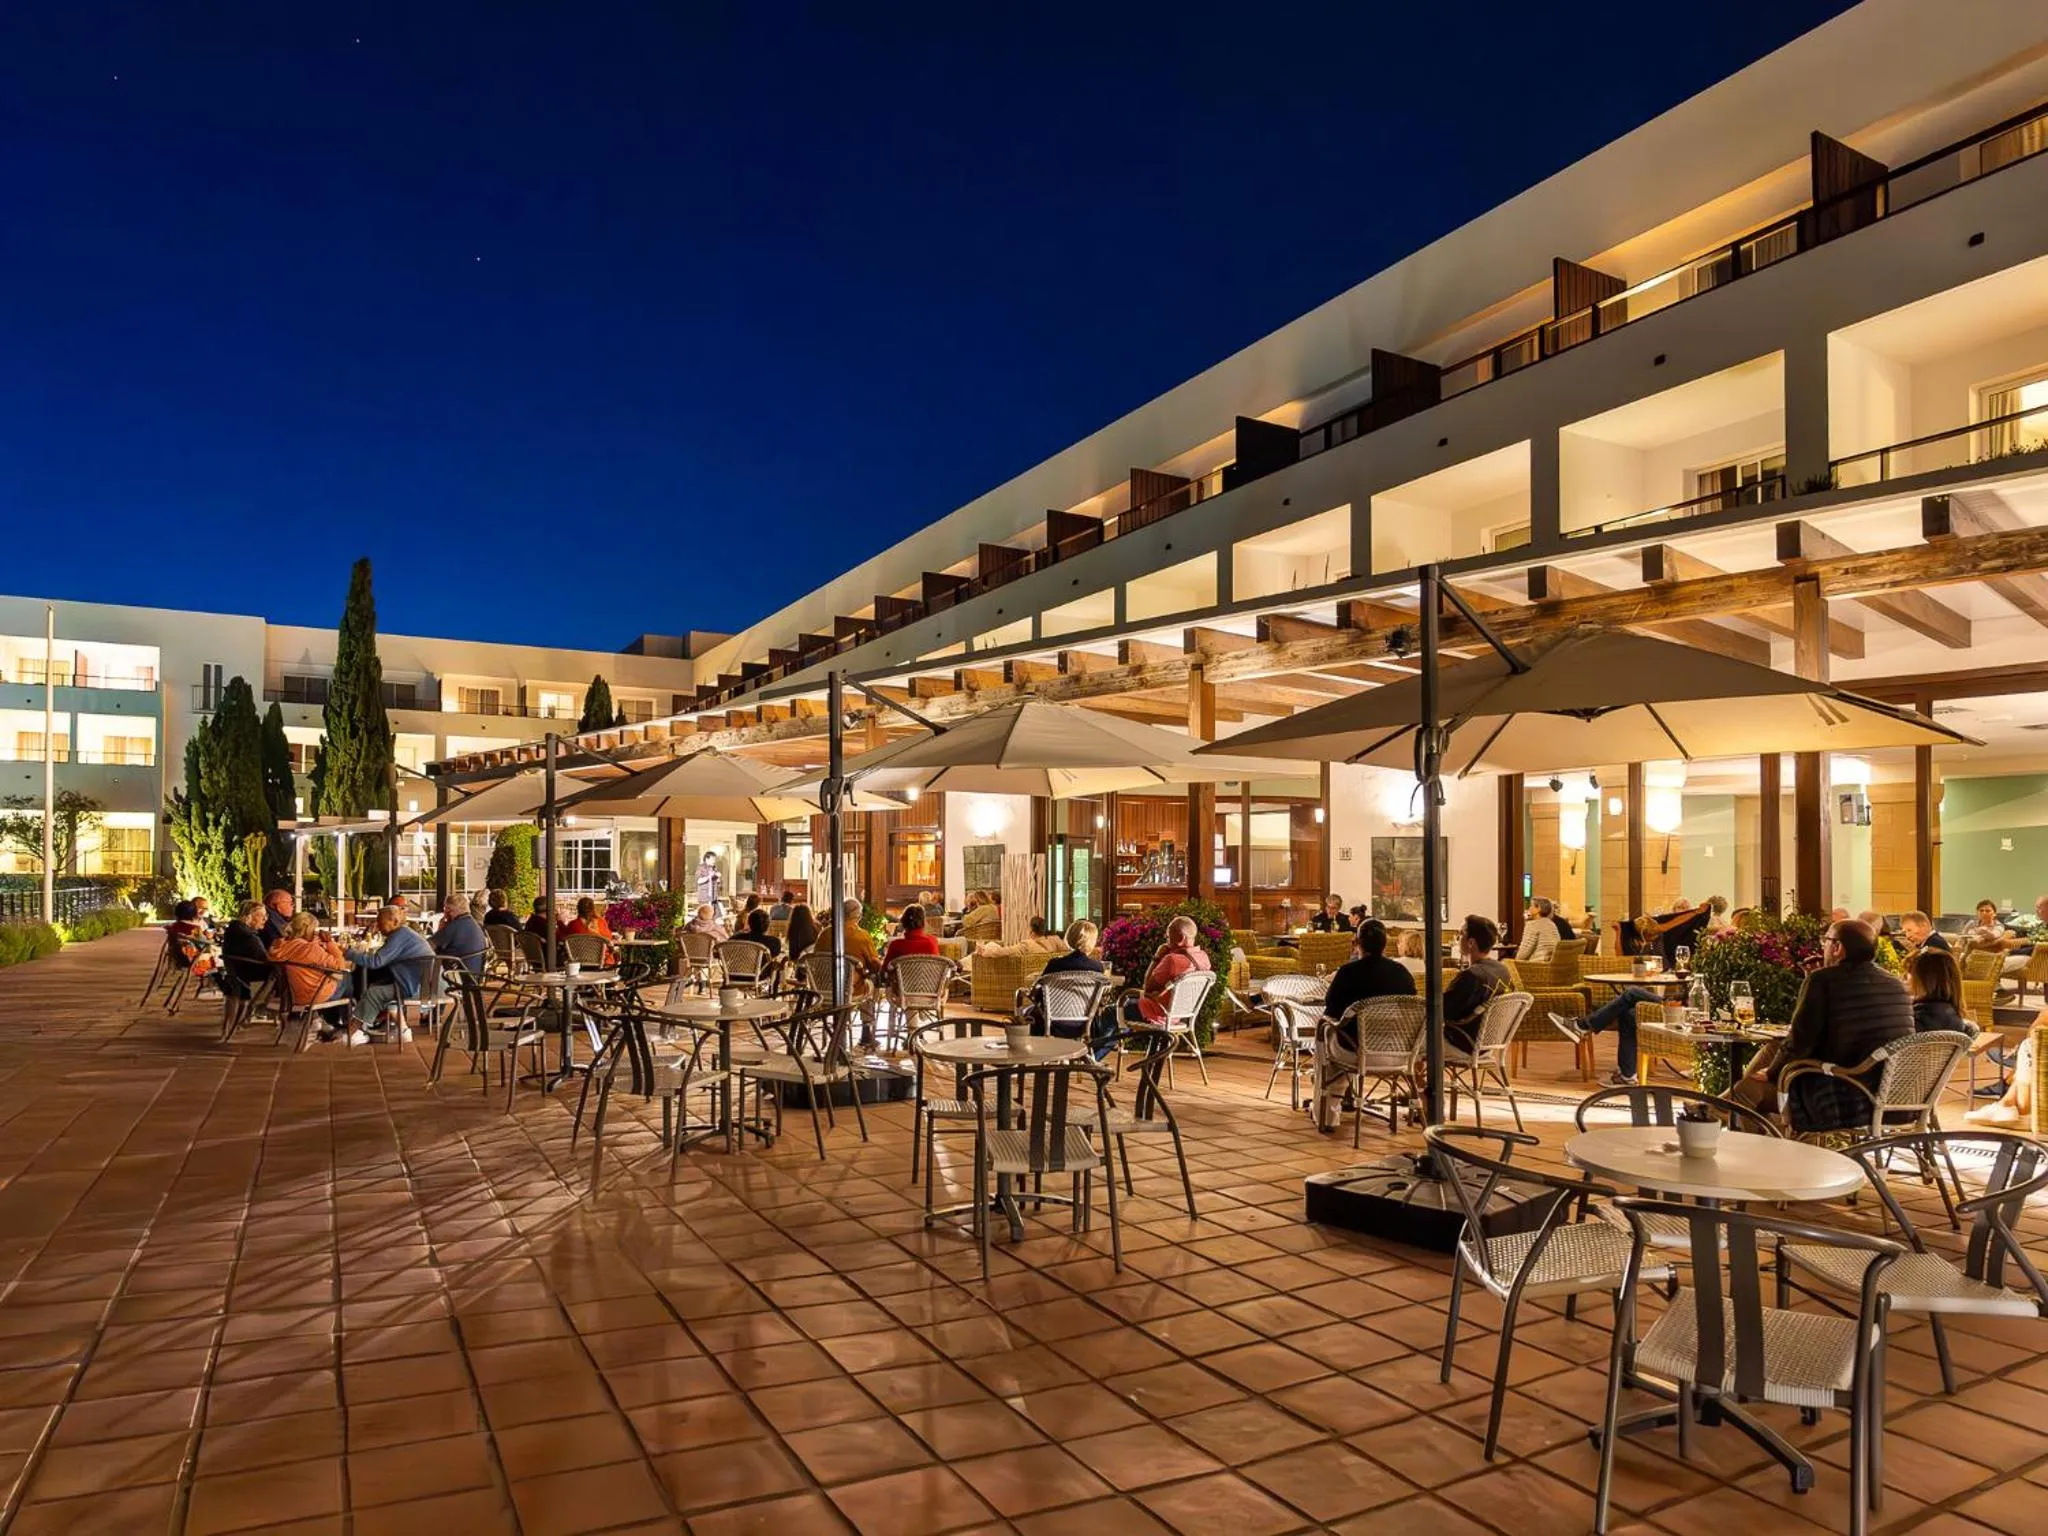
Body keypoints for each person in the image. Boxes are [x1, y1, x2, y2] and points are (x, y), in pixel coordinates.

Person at [1746, 919, 1913, 1131]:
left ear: (1838, 948)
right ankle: (1712, 1112)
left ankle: (1712, 1118)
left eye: (1826, 941)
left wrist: (1771, 1073)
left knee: (1751, 1090)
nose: (1823, 946)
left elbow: (1801, 1041)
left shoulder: (1823, 981)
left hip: (1845, 1094)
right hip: (1894, 1091)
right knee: (1770, 1055)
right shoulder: (1895, 984)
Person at [1314, 920, 1416, 1132]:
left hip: (1355, 1052)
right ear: (1385, 943)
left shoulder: (1348, 973)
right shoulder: (1402, 974)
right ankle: (1348, 1098)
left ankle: (1327, 1114)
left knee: (1324, 1031)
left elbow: (1331, 1011)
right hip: (1397, 1053)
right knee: (1342, 1033)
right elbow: (1413, 1012)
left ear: (1357, 943)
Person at [346, 904, 436, 1040]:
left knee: (373, 993)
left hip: (418, 988)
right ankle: (398, 1029)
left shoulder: (400, 935)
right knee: (376, 986)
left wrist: (348, 953)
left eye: (381, 921)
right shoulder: (405, 933)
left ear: (394, 921)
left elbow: (375, 962)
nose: (378, 925)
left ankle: (352, 1034)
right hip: (422, 984)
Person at [1548, 981, 1662, 1086]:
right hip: (1673, 1001)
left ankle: (1583, 1026)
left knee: (1631, 992)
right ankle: (1627, 1076)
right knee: (1627, 1014)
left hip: (1675, 1007)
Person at [270, 912, 353, 1039]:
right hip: (313, 995)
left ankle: (324, 1021)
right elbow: (339, 966)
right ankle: (348, 1026)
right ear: (308, 929)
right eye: (313, 929)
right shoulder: (309, 949)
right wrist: (329, 943)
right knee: (347, 979)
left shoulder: (279, 945)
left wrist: (315, 942)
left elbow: (300, 947)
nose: (315, 932)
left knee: (336, 979)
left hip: (290, 995)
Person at [1443, 915, 1510, 1055]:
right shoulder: (1503, 970)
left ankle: (1419, 1077)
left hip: (1465, 1042)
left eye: (1460, 934)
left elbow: (1442, 1010)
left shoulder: (1471, 976)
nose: (1458, 938)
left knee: (1418, 1041)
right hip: (1491, 1042)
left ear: (1471, 942)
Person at [1906, 947, 1974, 1038]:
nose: (1905, 978)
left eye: (1909, 972)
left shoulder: (1918, 1019)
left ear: (1925, 979)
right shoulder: (1951, 1013)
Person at [217, 901, 274, 1001]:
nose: (265, 919)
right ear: (248, 917)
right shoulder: (249, 937)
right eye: (261, 916)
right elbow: (265, 960)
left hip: (236, 976)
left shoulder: (232, 931)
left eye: (266, 915)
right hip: (251, 978)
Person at [431, 893, 488, 978]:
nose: (444, 912)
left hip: (456, 978)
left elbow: (426, 945)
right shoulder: (474, 924)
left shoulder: (454, 926)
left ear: (450, 910)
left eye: (446, 909)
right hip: (474, 977)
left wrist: (441, 929)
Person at [1516, 898, 1565, 962]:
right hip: (1552, 963)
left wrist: (1515, 960)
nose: (1529, 908)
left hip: (1536, 964)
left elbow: (1524, 951)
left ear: (1538, 909)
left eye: (1531, 906)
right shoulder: (1552, 924)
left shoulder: (1532, 925)